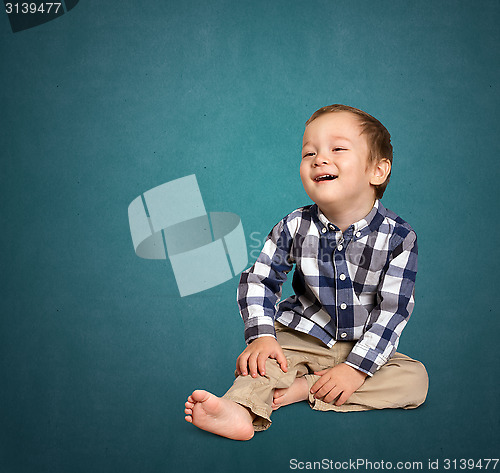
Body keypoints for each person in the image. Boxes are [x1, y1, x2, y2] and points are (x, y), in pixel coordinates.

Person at [184, 104, 429, 441]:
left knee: (415, 380)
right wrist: (262, 336)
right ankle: (238, 410)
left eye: (338, 149)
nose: (319, 158)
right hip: (304, 337)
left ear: (378, 171)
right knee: (264, 363)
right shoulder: (295, 225)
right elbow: (260, 280)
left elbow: (392, 311)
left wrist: (356, 369)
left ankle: (307, 388)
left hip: (364, 344)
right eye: (309, 152)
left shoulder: (399, 238)